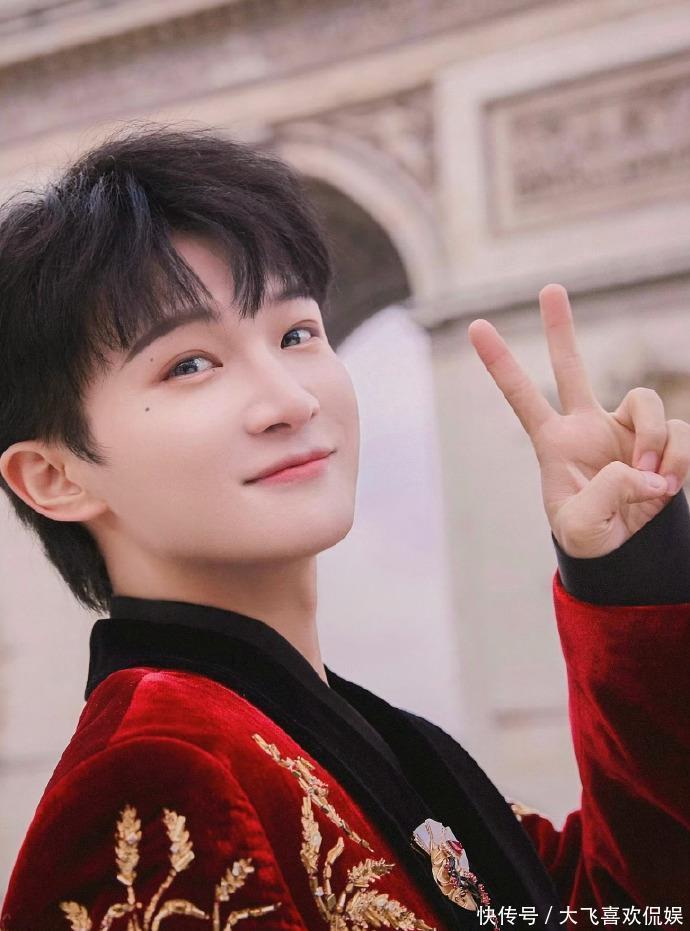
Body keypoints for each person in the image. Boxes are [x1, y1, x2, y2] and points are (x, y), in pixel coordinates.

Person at [0, 126, 688, 931]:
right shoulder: (151, 785)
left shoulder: (390, 746)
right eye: (190, 364)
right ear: (54, 477)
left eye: (297, 334)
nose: (291, 400)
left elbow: (634, 911)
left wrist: (628, 570)